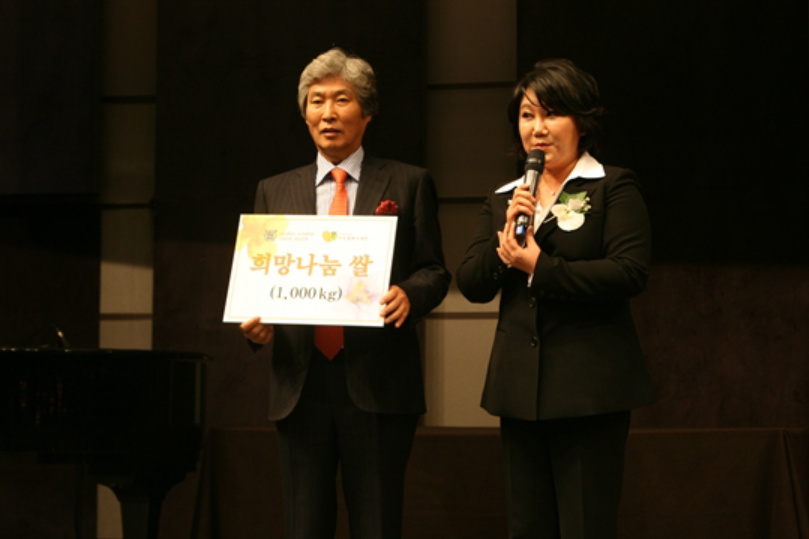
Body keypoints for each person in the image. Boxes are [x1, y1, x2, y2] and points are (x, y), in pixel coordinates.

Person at [239, 48, 450, 539]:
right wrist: (254, 324)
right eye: (316, 101)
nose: (327, 113)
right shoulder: (273, 190)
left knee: (377, 525)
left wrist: (409, 294)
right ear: (304, 113)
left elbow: (435, 270)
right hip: (300, 384)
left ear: (366, 111)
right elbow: (260, 278)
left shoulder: (408, 182)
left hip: (378, 383)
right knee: (304, 526)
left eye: (341, 99)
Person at [456, 58, 656, 539]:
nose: (538, 128)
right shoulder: (506, 198)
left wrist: (539, 267)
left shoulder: (611, 186)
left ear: (582, 123)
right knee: (527, 526)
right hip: (519, 390)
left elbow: (628, 272)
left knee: (585, 526)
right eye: (527, 115)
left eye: (552, 114)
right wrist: (506, 245)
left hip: (589, 390)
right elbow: (472, 283)